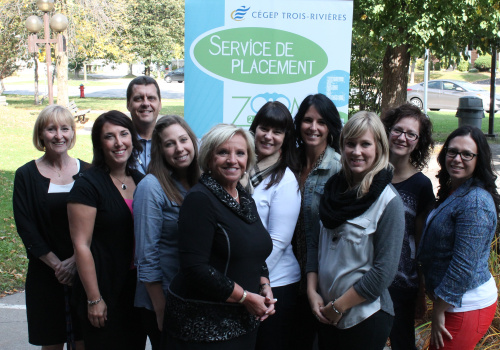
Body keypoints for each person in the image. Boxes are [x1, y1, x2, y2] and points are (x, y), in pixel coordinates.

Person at [163, 124, 275, 349]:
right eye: (223, 152)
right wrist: (246, 297)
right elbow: (195, 268)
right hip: (204, 330)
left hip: (243, 322)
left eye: (240, 153)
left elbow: (255, 248)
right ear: (208, 158)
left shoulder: (244, 197)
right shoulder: (199, 200)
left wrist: (264, 285)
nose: (232, 160)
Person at [309, 111, 405, 350]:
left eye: (365, 144)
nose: (356, 151)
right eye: (350, 144)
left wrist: (338, 306)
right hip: (325, 313)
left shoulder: (388, 202)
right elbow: (315, 244)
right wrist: (312, 292)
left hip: (364, 318)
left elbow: (384, 271)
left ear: (379, 148)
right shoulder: (332, 191)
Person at [68, 111, 146, 349]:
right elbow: (81, 245)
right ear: (100, 144)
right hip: (104, 288)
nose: (119, 142)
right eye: (109, 137)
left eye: (124, 134)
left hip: (136, 290)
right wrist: (94, 298)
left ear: (133, 139)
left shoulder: (141, 180)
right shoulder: (87, 185)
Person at [13, 105, 88, 350]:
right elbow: (26, 227)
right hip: (45, 274)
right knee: (51, 343)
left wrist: (75, 262)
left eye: (65, 128)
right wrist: (58, 266)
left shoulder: (89, 172)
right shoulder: (26, 175)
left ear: (72, 133)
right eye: (51, 129)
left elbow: (99, 225)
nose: (59, 135)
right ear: (40, 135)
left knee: (83, 342)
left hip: (84, 273)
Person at [418, 125, 499, 350]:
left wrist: (439, 310)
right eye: (452, 151)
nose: (457, 159)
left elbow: (463, 267)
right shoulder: (456, 190)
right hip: (455, 304)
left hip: (465, 306)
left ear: (478, 159)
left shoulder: (475, 203)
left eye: (467, 154)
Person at [133, 115, 200, 350]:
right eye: (169, 143)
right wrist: (162, 310)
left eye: (183, 140)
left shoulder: (202, 182)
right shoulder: (151, 187)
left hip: (195, 299)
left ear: (193, 141)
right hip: (162, 300)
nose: (179, 148)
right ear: (160, 151)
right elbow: (145, 255)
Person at [242, 102, 301, 350]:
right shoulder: (240, 168)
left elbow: (278, 241)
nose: (268, 136)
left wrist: (254, 279)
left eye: (277, 131)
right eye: (264, 128)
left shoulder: (285, 179)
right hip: (244, 282)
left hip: (276, 283)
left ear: (286, 138)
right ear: (253, 129)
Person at [291, 93, 343, 350]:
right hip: (288, 277)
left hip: (322, 282)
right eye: (307, 120)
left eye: (321, 122)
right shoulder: (288, 162)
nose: (313, 127)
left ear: (330, 127)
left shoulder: (339, 169)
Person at [382, 103, 435, 350]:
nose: (402, 138)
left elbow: (423, 244)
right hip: (363, 280)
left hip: (402, 285)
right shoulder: (368, 174)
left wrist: (421, 291)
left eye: (411, 134)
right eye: (397, 130)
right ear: (387, 130)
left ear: (418, 141)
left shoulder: (421, 186)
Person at [126, 76, 162, 173]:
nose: (146, 103)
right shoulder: (119, 143)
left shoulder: (169, 141)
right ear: (128, 104)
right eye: (138, 98)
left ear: (160, 104)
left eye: (151, 98)